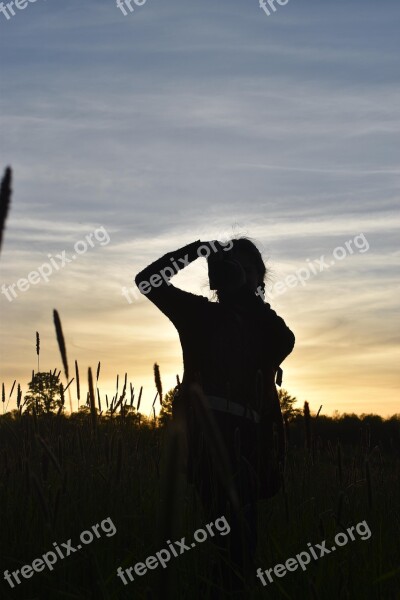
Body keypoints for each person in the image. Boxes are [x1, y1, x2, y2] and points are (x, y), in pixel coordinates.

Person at [135, 237, 295, 597]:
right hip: (209, 436)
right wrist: (195, 251)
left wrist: (245, 296)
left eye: (246, 269)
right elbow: (147, 281)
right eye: (228, 267)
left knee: (238, 546)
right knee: (236, 542)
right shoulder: (199, 314)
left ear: (260, 278)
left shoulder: (265, 325)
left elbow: (284, 340)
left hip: (252, 442)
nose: (235, 275)